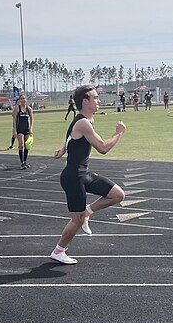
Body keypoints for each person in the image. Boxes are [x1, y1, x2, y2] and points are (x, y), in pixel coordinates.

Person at [51, 85, 126, 265]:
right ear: (85, 101)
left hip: (84, 174)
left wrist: (63, 150)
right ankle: (58, 251)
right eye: (95, 98)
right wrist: (118, 133)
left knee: (118, 195)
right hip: (73, 177)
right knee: (75, 221)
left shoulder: (86, 120)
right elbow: (103, 148)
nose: (98, 101)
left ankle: (87, 212)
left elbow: (71, 136)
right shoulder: (83, 122)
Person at [12, 94, 33, 169]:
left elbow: (32, 119)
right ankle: (22, 163)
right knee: (21, 145)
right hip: (19, 129)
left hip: (26, 129)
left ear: (26, 99)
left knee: (27, 146)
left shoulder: (29, 109)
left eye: (23, 98)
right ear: (19, 100)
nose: (22, 100)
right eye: (21, 98)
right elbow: (14, 120)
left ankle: (25, 162)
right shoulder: (17, 108)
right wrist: (14, 130)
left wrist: (31, 128)